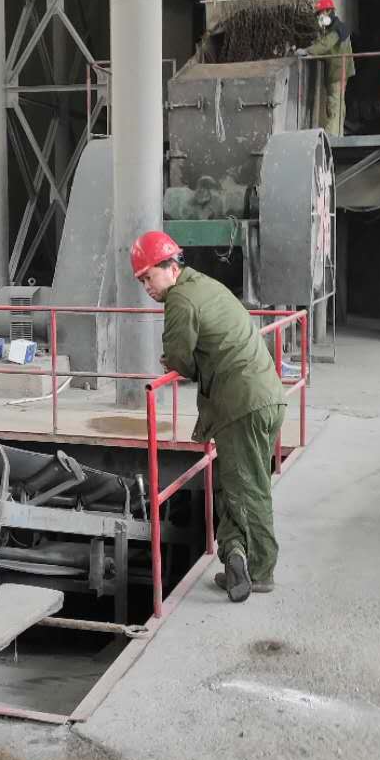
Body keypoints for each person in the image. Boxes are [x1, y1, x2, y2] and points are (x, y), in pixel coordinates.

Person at [131, 231, 287, 603]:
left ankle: (261, 571)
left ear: (170, 267)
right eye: (141, 281)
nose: (146, 287)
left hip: (242, 405)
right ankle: (235, 555)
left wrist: (173, 361)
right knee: (234, 485)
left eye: (148, 277)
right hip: (264, 396)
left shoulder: (180, 299)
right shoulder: (203, 285)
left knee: (247, 490)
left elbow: (179, 359)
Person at [299, 0, 354, 136]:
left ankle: (332, 136)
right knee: (338, 104)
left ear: (329, 11)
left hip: (337, 72)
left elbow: (325, 45)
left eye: (320, 13)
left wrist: (307, 51)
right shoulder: (334, 28)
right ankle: (338, 134)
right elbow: (327, 47)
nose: (319, 17)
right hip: (338, 71)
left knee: (334, 104)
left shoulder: (336, 29)